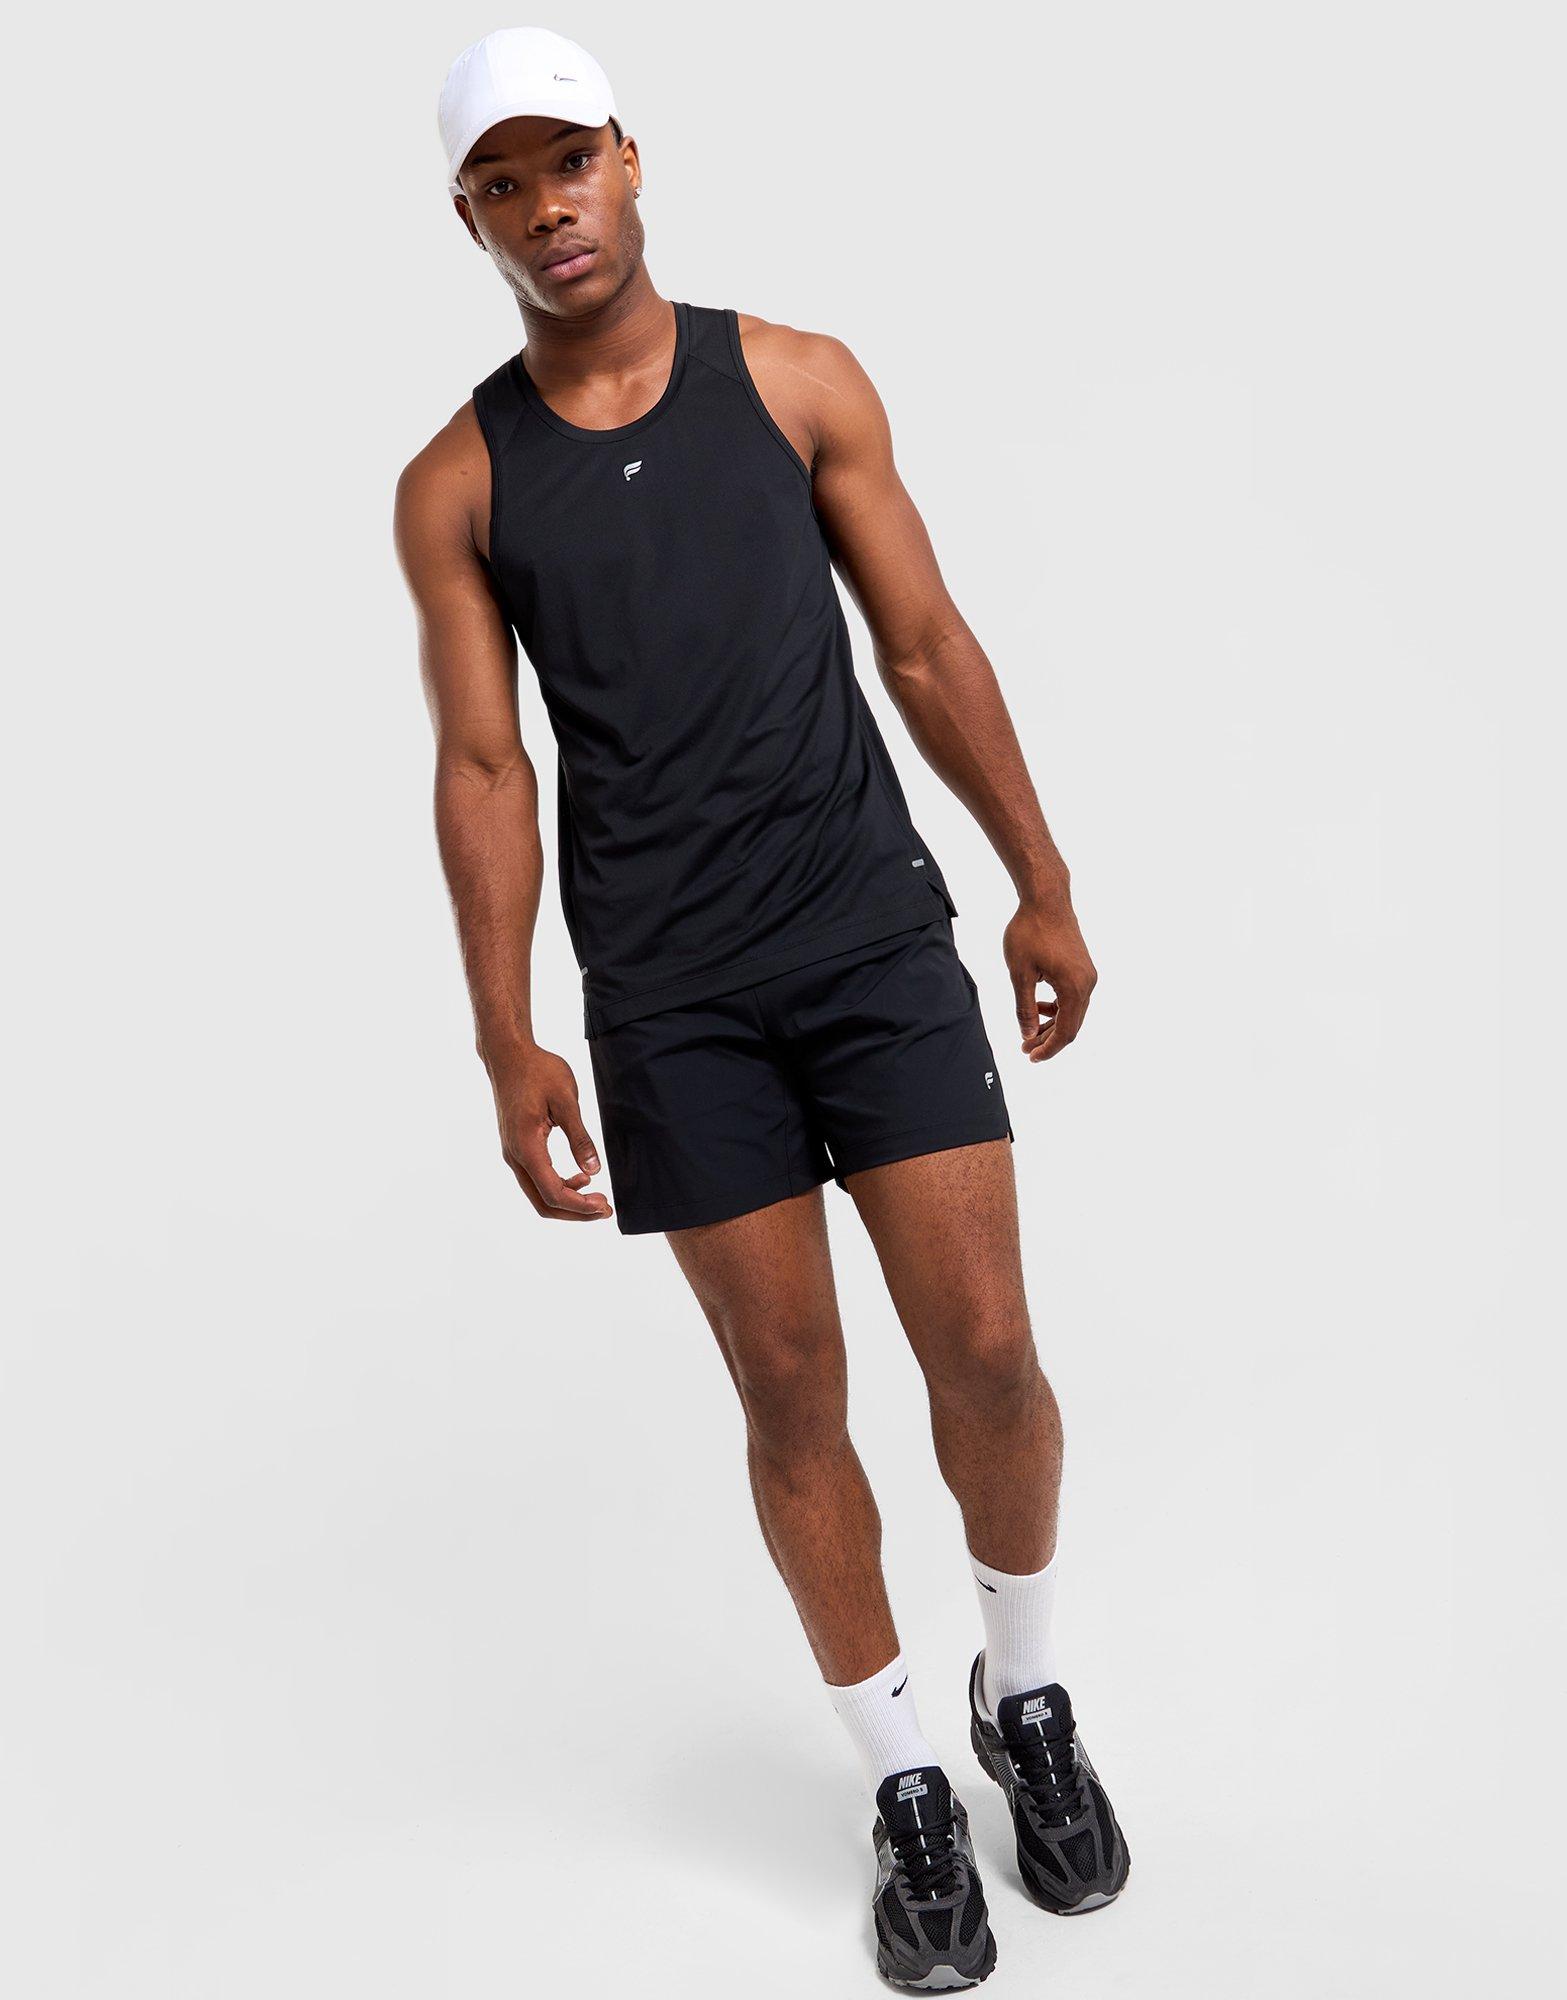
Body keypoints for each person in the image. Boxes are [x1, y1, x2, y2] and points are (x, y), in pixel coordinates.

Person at [395, 27, 1129, 1990]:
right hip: (670, 1005)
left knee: (989, 1353)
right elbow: (484, 765)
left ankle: (1024, 1697)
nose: (546, 208)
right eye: (500, 184)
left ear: (629, 160)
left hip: (869, 939)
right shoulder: (458, 483)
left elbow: (923, 641)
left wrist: (1039, 875)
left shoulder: (797, 380)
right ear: (468, 221)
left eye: (568, 163)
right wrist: (507, 1037)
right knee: (791, 1398)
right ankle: (904, 1784)